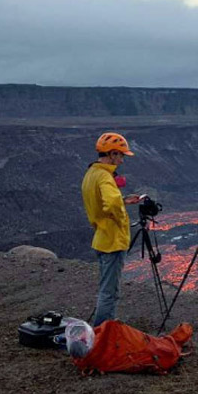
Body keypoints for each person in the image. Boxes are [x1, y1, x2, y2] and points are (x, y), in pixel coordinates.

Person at [81, 132, 142, 326]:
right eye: (121, 155)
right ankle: (102, 332)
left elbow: (102, 204)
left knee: (107, 288)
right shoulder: (105, 177)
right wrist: (121, 215)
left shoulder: (91, 173)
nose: (122, 160)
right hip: (112, 241)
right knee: (110, 292)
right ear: (113, 153)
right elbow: (111, 205)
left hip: (102, 237)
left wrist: (123, 201)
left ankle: (104, 329)